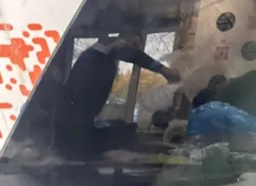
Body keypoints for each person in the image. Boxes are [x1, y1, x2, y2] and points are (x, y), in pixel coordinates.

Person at [54, 31, 181, 160]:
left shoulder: (100, 58)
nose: (135, 51)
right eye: (134, 45)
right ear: (121, 39)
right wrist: (165, 70)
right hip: (72, 133)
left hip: (78, 129)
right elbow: (133, 55)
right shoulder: (93, 58)